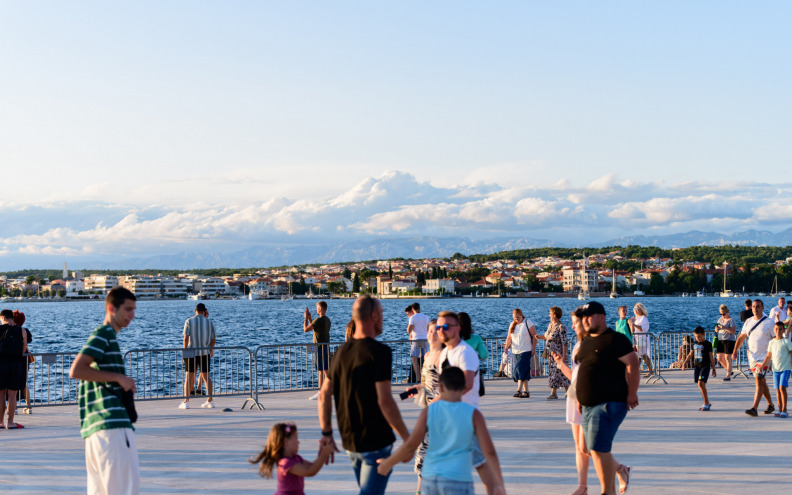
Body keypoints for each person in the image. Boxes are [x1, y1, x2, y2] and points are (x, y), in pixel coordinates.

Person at [318, 295, 409, 495]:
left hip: (351, 442)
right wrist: (407, 439)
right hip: (376, 441)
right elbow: (385, 401)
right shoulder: (379, 352)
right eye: (382, 314)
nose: (383, 319)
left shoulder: (340, 353)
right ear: (374, 316)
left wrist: (327, 434)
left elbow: (324, 395)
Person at [377, 366, 506, 495]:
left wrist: (388, 463)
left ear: (441, 388)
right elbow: (489, 452)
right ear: (464, 389)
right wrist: (498, 485)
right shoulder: (473, 414)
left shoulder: (430, 411)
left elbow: (411, 444)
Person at [68, 287, 139, 495]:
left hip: (95, 429)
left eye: (134, 310)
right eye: (127, 309)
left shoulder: (107, 337)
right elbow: (77, 370)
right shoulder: (104, 333)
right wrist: (119, 378)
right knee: (124, 489)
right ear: (111, 308)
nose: (132, 315)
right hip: (112, 426)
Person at [577, 301, 638, 495]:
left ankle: (607, 491)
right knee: (589, 448)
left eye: (589, 316)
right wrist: (580, 397)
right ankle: (620, 472)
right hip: (587, 405)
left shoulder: (615, 339)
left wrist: (632, 392)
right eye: (583, 317)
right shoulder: (586, 341)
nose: (585, 320)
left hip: (608, 403)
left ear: (602, 317)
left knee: (598, 447)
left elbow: (633, 363)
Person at [435, 310, 499, 494]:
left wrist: (439, 402)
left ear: (457, 328)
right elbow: (443, 386)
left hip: (466, 418)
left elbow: (468, 384)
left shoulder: (465, 352)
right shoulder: (445, 353)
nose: (441, 331)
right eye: (438, 327)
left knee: (481, 464)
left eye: (445, 327)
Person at [551, 307, 591, 495]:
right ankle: (582, 486)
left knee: (586, 446)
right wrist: (560, 364)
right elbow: (573, 377)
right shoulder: (577, 345)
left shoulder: (592, 345)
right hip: (574, 395)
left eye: (575, 322)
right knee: (579, 447)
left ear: (585, 322)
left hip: (587, 398)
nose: (573, 326)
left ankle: (618, 468)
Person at [407, 318, 443, 493]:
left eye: (436, 331)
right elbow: (426, 383)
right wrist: (414, 389)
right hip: (429, 413)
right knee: (423, 454)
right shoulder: (428, 356)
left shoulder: (445, 357)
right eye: (429, 331)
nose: (431, 334)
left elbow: (448, 392)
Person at [249, 422, 334, 495]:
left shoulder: (297, 458)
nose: (298, 442)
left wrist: (322, 452)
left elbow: (312, 466)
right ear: (286, 442)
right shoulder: (285, 463)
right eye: (296, 438)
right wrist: (324, 454)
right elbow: (309, 471)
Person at [733, 299, 775, 417]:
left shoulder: (769, 322)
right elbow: (742, 337)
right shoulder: (748, 322)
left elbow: (775, 339)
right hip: (752, 357)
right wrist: (735, 350)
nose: (755, 309)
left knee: (758, 380)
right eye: (753, 307)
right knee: (762, 381)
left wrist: (774, 355)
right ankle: (771, 405)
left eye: (757, 307)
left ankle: (754, 408)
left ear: (762, 308)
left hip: (765, 357)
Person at [179, 303, 216, 409]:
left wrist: (185, 351)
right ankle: (210, 400)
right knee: (206, 376)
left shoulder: (189, 321)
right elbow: (213, 339)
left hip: (191, 353)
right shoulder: (209, 322)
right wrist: (211, 349)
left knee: (189, 377)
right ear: (204, 311)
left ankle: (186, 402)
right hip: (205, 352)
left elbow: (185, 338)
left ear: (195, 311)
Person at [0, 309, 27, 429]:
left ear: (4, 318)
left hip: (1, 365)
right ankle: (10, 422)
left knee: (1, 395)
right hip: (16, 365)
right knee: (12, 395)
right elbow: (23, 349)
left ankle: (0, 422)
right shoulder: (22, 330)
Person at [759, 322, 792, 418]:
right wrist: (762, 366)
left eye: (780, 329)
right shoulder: (771, 342)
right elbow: (769, 355)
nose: (778, 331)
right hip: (775, 369)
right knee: (777, 390)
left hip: (785, 368)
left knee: (782, 388)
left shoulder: (786, 342)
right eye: (776, 329)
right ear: (774, 329)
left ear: (784, 330)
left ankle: (785, 410)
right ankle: (780, 409)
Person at [536, 306, 570, 400]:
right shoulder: (550, 325)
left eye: (550, 313)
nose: (549, 315)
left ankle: (558, 392)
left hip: (558, 354)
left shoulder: (561, 327)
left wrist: (564, 354)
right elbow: (547, 336)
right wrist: (539, 337)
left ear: (555, 315)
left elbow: (564, 342)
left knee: (560, 372)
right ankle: (560, 391)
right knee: (555, 373)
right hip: (551, 354)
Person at [681, 327, 717, 411]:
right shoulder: (695, 343)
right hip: (697, 367)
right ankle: (707, 402)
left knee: (700, 384)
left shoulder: (708, 344)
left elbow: (711, 357)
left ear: (704, 335)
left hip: (705, 366)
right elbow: (690, 354)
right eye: (696, 337)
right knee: (701, 385)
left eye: (699, 336)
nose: (698, 338)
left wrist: (714, 368)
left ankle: (706, 403)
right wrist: (684, 363)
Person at [504, 309, 536, 398]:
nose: (516, 319)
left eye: (518, 317)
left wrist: (533, 349)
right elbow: (509, 338)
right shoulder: (512, 324)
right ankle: (526, 392)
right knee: (524, 371)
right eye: (514, 318)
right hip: (515, 351)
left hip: (526, 350)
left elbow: (534, 336)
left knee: (518, 370)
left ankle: (519, 390)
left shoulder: (527, 322)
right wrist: (507, 347)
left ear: (521, 315)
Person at [304, 301, 331, 400]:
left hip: (319, 348)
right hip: (326, 346)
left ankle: (320, 392)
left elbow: (306, 329)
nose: (316, 309)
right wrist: (310, 319)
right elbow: (315, 329)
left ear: (321, 309)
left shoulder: (319, 320)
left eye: (317, 307)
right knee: (326, 371)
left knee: (320, 371)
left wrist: (305, 319)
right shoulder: (327, 320)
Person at [13, 310, 33, 414]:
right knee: (23, 383)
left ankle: (14, 407)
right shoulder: (25, 330)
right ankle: (28, 406)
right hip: (25, 357)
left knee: (13, 383)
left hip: (15, 357)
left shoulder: (12, 330)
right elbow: (29, 340)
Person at [406, 303, 430, 384]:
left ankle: (418, 379)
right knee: (424, 359)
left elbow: (409, 330)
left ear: (412, 310)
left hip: (416, 340)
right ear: (419, 308)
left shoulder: (412, 318)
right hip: (425, 340)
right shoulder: (426, 317)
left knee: (414, 359)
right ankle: (425, 377)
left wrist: (408, 328)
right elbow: (428, 329)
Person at [628, 303, 653, 376]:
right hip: (636, 339)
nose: (635, 310)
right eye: (634, 309)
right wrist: (630, 323)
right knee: (639, 355)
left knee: (642, 355)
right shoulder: (635, 319)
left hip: (642, 339)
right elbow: (632, 330)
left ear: (641, 310)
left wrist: (634, 324)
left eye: (637, 309)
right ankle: (646, 371)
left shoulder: (643, 318)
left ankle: (648, 371)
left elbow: (644, 329)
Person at [714, 304, 737, 381]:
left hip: (729, 340)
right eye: (721, 314)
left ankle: (728, 375)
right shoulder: (720, 320)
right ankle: (729, 370)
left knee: (727, 358)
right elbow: (716, 328)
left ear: (727, 312)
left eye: (723, 314)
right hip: (721, 340)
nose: (722, 315)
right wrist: (716, 329)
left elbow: (733, 332)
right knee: (719, 358)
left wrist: (725, 328)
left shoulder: (731, 320)